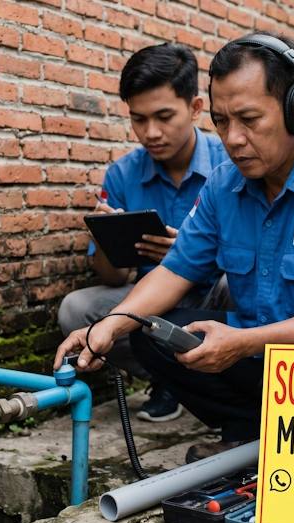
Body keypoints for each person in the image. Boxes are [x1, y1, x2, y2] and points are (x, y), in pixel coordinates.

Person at [54, 31, 294, 463]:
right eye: (221, 121)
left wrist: (243, 342)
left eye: (249, 119)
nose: (233, 138)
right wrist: (111, 325)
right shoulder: (224, 184)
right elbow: (175, 271)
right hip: (265, 349)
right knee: (152, 332)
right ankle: (247, 429)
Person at [57, 43, 231, 423]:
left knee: (238, 284)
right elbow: (112, 278)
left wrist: (192, 255)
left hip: (213, 297)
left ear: (195, 108)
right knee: (76, 309)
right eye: (138, 119)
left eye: (164, 117)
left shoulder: (231, 164)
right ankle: (168, 378)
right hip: (147, 300)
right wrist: (107, 238)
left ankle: (225, 381)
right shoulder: (122, 174)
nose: (151, 133)